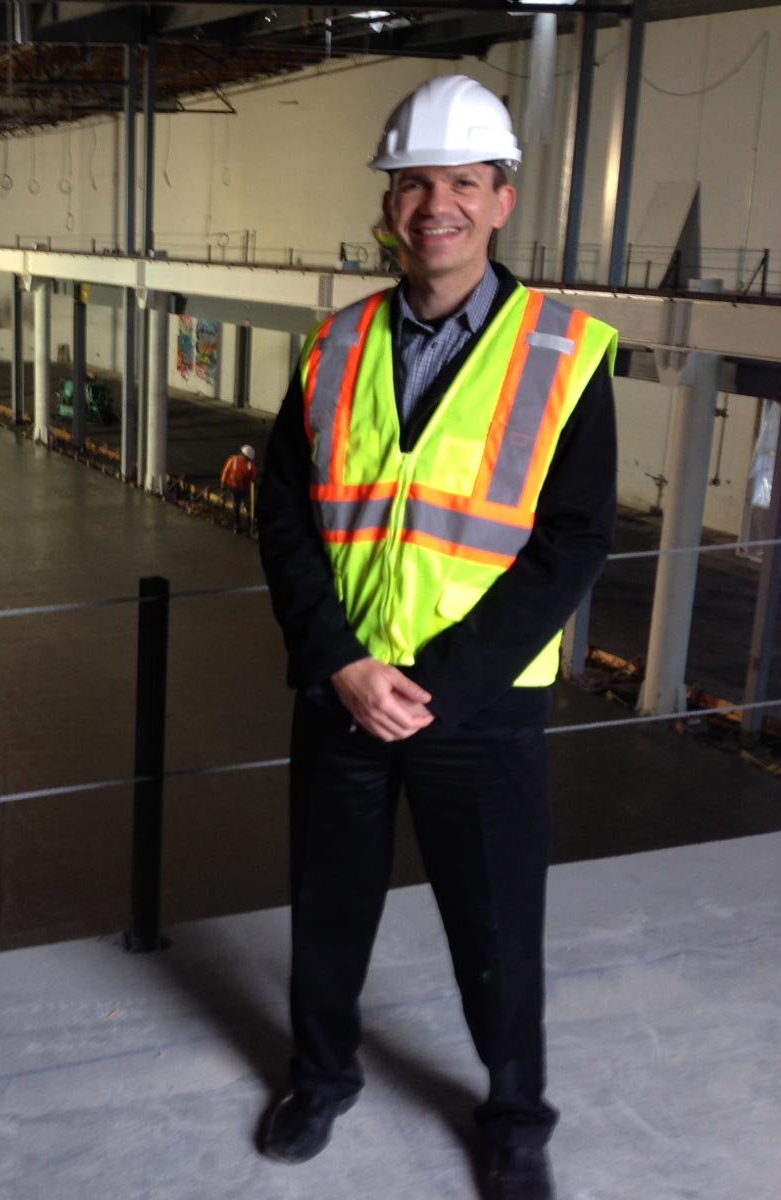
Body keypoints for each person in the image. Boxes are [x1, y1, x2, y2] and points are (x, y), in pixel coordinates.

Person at [256, 74, 618, 1200]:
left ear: (502, 200)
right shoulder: (333, 345)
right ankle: (321, 1076)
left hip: (478, 705)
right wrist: (340, 663)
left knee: (498, 933)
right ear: (390, 202)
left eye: (463, 183)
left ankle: (515, 1117)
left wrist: (439, 687)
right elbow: (284, 516)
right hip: (345, 691)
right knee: (327, 913)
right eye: (416, 184)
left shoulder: (566, 353)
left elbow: (571, 545)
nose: (436, 207)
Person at [221, 444, 259, 534]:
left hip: (242, 487)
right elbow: (226, 471)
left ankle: (248, 524)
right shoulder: (233, 460)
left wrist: (223, 483)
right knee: (239, 506)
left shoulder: (247, 463)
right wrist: (223, 483)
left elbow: (254, 475)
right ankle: (239, 525)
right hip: (235, 487)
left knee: (244, 506)